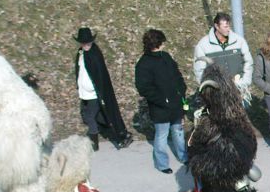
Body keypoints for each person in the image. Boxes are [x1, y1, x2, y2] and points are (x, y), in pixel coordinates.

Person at [134, 29, 188, 174]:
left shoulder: (166, 57)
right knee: (162, 135)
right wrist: (162, 100)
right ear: (157, 43)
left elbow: (177, 75)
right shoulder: (144, 64)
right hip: (160, 107)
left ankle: (184, 156)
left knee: (178, 132)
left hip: (175, 104)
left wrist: (182, 89)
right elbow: (144, 88)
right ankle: (162, 164)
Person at [73, 27, 132, 151]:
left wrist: (97, 90)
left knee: (90, 117)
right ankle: (106, 131)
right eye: (83, 43)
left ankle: (94, 143)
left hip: (94, 94)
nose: (85, 45)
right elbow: (80, 70)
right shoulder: (81, 53)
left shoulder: (94, 54)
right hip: (84, 93)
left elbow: (100, 75)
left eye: (88, 42)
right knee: (94, 115)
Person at [193, 12, 254, 97]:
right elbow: (199, 71)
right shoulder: (203, 46)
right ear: (216, 26)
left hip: (239, 91)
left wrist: (244, 82)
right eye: (225, 27)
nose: (228, 29)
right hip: (217, 94)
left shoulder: (240, 41)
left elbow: (248, 63)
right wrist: (210, 88)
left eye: (229, 26)